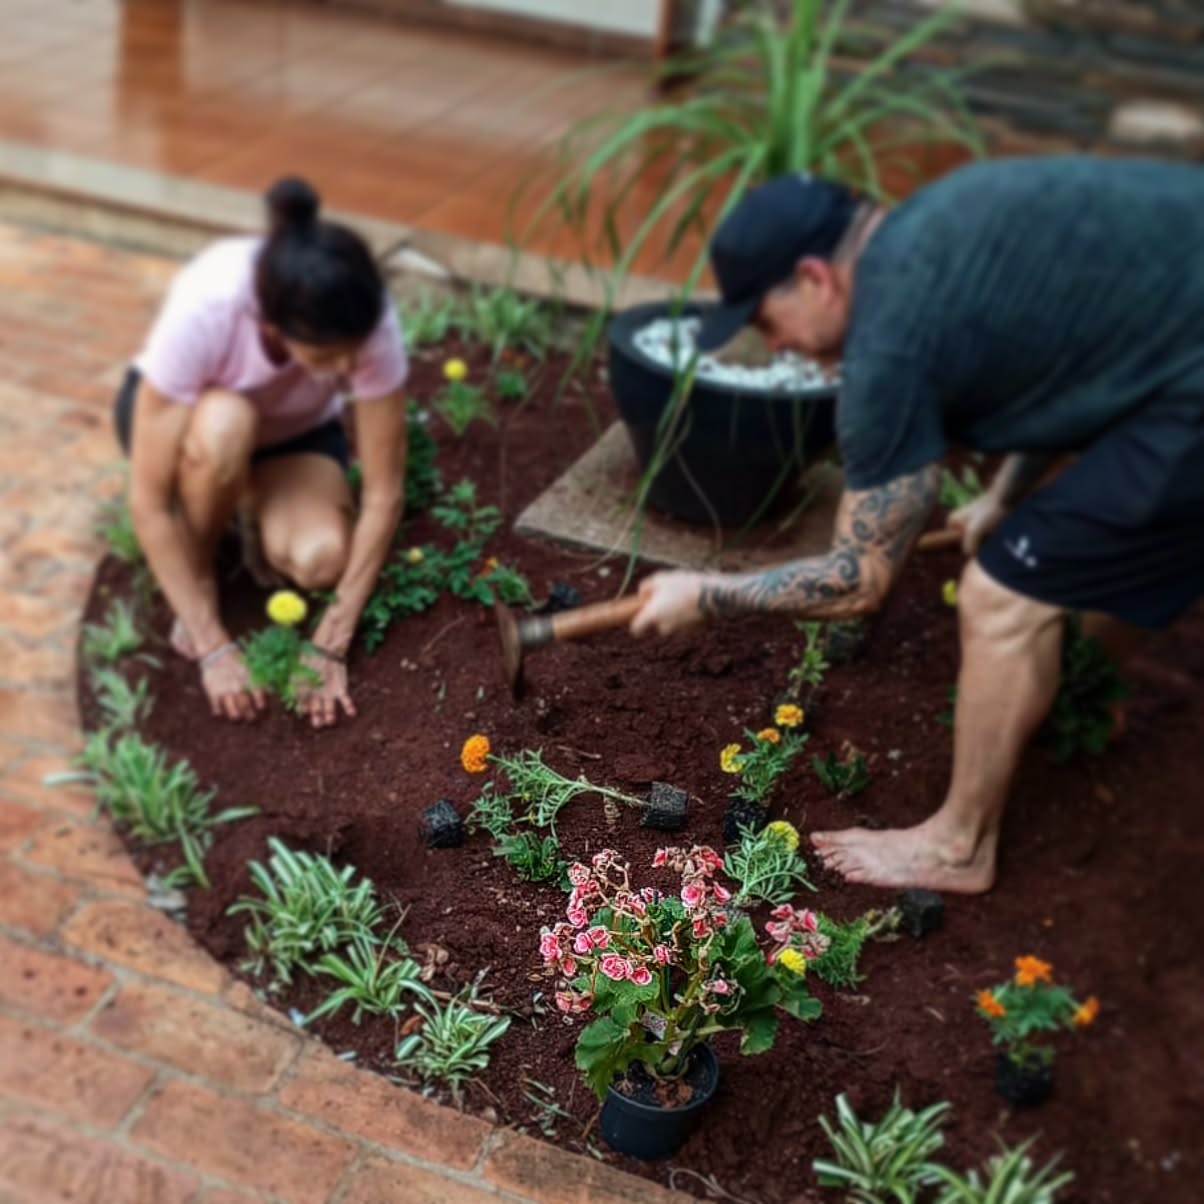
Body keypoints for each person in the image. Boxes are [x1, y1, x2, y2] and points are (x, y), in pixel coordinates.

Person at [629, 156, 1204, 894]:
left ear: (814, 278)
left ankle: (958, 846)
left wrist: (709, 594)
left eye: (766, 320)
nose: (775, 345)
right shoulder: (940, 225)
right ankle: (1084, 698)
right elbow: (1069, 359)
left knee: (1002, 599)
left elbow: (858, 579)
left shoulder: (888, 348)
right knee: (1074, 543)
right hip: (1178, 342)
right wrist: (1005, 496)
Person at [120, 177, 410, 728]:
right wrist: (212, 646)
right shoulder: (211, 304)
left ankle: (249, 505)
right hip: (200, 429)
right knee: (230, 422)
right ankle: (202, 569)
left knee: (323, 559)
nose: (351, 370)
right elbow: (148, 503)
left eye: (356, 352)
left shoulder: (361, 317)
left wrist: (331, 641)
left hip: (291, 438)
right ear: (273, 326)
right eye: (328, 356)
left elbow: (384, 493)